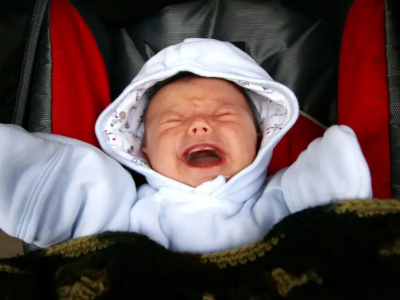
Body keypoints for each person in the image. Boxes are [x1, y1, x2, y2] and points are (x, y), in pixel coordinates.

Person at [0, 39, 372, 253]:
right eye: (172, 120)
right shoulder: (122, 212)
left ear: (261, 135)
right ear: (141, 149)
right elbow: (55, 184)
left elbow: (336, 213)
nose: (199, 124)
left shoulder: (285, 199)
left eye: (224, 114)